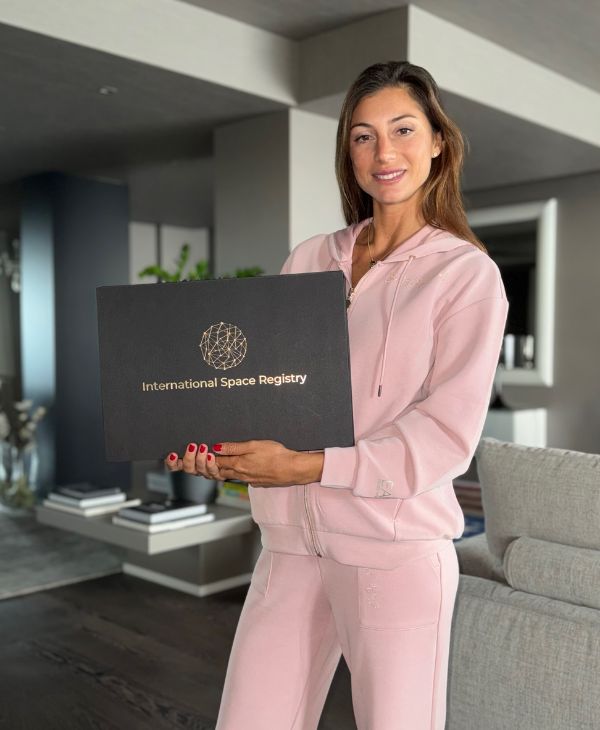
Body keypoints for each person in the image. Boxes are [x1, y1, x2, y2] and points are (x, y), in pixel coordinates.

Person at [165, 60, 509, 730]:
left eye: (403, 129)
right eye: (362, 136)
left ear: (438, 140)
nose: (384, 152)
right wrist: (217, 447)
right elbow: (267, 392)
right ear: (347, 152)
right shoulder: (309, 257)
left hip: (396, 556)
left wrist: (315, 465)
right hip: (290, 547)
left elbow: (446, 437)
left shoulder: (465, 276)